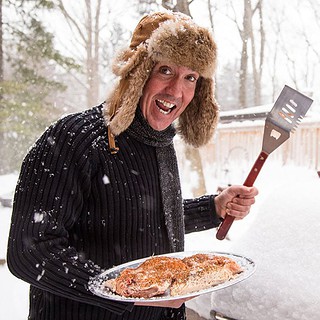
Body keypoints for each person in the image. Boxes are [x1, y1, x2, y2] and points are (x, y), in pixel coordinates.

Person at [7, 10, 258, 320]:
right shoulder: (72, 139)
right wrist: (123, 291)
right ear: (137, 70)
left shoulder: (160, 143)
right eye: (165, 69)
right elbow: (29, 252)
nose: (176, 91)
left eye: (191, 77)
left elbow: (139, 216)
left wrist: (213, 207)